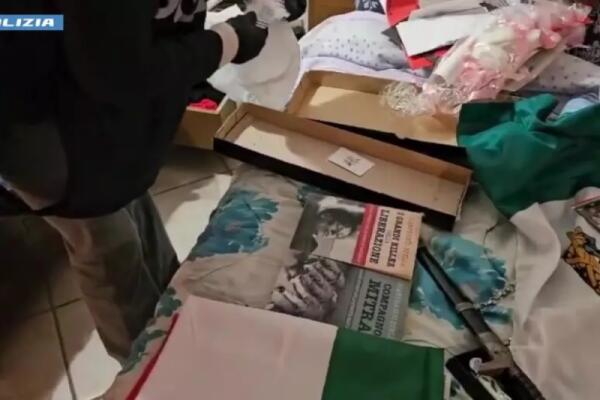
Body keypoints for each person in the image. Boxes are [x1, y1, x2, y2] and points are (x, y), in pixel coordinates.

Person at [0, 0, 303, 362]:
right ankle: (143, 366)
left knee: (134, 206)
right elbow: (117, 71)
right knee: (108, 247)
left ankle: (171, 319)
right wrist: (228, 41)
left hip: (88, 92)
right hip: (38, 116)